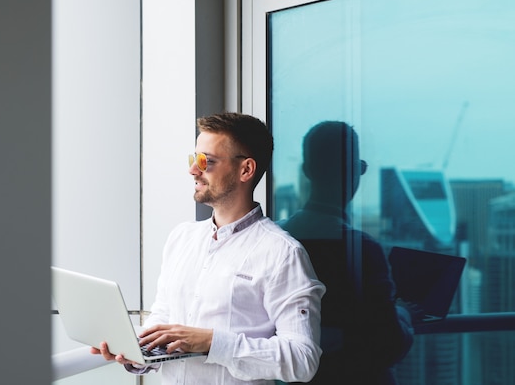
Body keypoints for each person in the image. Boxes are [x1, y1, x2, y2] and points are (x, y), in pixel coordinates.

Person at [93, 112, 326, 384]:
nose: (194, 169)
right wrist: (138, 353)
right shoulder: (181, 238)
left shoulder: (282, 252)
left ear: (246, 170)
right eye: (194, 159)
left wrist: (212, 342)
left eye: (207, 161)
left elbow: (302, 359)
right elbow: (163, 319)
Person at [279, 121, 414, 385]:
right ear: (353, 173)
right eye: (359, 168)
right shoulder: (361, 249)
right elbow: (389, 345)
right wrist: (403, 314)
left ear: (307, 170)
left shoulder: (275, 239)